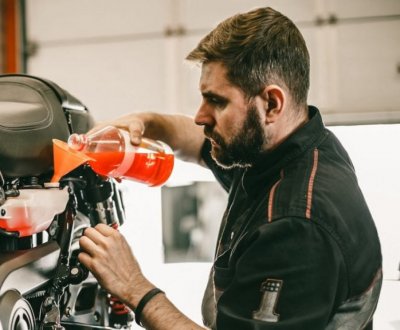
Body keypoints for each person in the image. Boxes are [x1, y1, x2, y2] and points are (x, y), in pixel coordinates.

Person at [78, 6, 382, 330]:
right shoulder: (283, 150)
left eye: (217, 101)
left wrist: (134, 288)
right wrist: (148, 123)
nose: (200, 116)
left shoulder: (296, 226)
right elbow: (195, 140)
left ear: (271, 104)